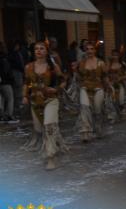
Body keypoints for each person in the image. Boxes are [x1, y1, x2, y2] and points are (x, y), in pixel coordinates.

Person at [22, 41, 68, 170]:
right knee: (39, 129)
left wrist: (56, 89)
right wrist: (25, 95)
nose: (38, 51)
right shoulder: (28, 67)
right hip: (35, 101)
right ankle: (56, 143)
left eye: (41, 48)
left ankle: (50, 157)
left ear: (46, 51)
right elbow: (28, 83)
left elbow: (64, 81)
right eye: (36, 49)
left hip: (51, 100)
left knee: (48, 126)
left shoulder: (53, 67)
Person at [77, 42, 108, 142]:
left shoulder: (101, 63)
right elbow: (78, 77)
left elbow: (105, 77)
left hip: (98, 88)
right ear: (85, 51)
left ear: (95, 50)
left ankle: (98, 128)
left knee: (97, 109)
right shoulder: (81, 63)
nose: (89, 51)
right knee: (85, 108)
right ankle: (86, 132)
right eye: (87, 49)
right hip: (85, 88)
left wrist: (108, 88)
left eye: (91, 49)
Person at [106, 49, 126, 123]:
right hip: (111, 85)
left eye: (116, 55)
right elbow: (105, 74)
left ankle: (120, 112)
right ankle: (111, 116)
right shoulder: (109, 64)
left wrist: (121, 78)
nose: (115, 57)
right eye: (113, 55)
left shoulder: (123, 64)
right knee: (111, 101)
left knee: (120, 100)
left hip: (119, 84)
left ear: (119, 56)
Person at [0, 43, 18, 123]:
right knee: (10, 98)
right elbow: (6, 71)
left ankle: (2, 116)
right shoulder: (4, 59)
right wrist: (11, 79)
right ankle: (9, 115)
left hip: (2, 81)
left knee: (2, 99)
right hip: (5, 81)